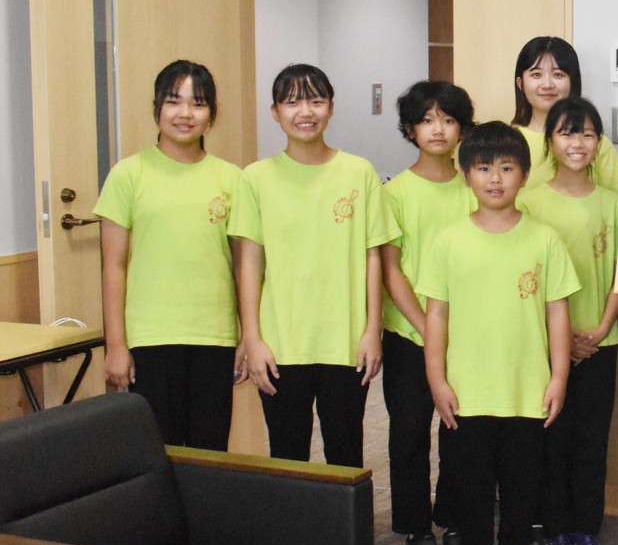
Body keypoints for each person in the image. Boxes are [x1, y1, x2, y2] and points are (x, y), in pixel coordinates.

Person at [419, 120, 579, 545]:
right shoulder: (448, 241)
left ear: (524, 175)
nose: (495, 178)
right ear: (467, 174)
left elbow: (557, 313)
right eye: (484, 168)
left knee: (521, 484)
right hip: (467, 391)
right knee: (471, 484)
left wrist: (559, 376)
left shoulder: (544, 239)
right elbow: (436, 317)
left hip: (526, 389)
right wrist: (436, 379)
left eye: (507, 168)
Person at [230, 64, 398, 467]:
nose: (305, 112)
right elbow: (249, 264)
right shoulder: (256, 178)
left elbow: (372, 256)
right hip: (281, 343)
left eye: (316, 101)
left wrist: (372, 330)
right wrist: (252, 338)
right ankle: (292, 515)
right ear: (275, 112)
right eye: (292, 102)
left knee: (345, 452)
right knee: (287, 453)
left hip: (345, 341)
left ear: (331, 108)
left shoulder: (359, 172)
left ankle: (346, 517)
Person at [97, 61, 242, 449]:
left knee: (211, 451)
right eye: (174, 101)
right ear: (157, 107)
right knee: (158, 452)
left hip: (214, 335)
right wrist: (116, 344)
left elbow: (243, 266)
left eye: (198, 103)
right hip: (151, 337)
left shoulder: (231, 178)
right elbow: (113, 265)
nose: (185, 113)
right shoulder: (129, 174)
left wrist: (247, 334)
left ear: (212, 114)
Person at [518, 97, 618, 545]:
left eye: (586, 133)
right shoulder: (528, 202)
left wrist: (599, 329)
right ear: (549, 141)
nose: (577, 143)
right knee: (551, 439)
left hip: (601, 340)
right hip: (544, 344)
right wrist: (558, 337)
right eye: (566, 132)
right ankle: (556, 532)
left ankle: (586, 531)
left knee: (591, 439)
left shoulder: (614, 204)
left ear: (598, 143)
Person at [380, 80, 476, 545]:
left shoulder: (475, 186)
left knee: (460, 433)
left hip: (466, 335)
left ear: (462, 128)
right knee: (410, 432)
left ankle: (455, 521)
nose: (438, 129)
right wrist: (425, 327)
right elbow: (391, 270)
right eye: (426, 120)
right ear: (410, 129)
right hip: (409, 333)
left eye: (448, 119)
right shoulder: (394, 192)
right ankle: (416, 529)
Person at [511, 36, 618, 191]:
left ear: (573, 82)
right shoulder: (505, 142)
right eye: (536, 74)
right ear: (521, 84)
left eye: (558, 74)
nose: (547, 85)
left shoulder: (596, 144)